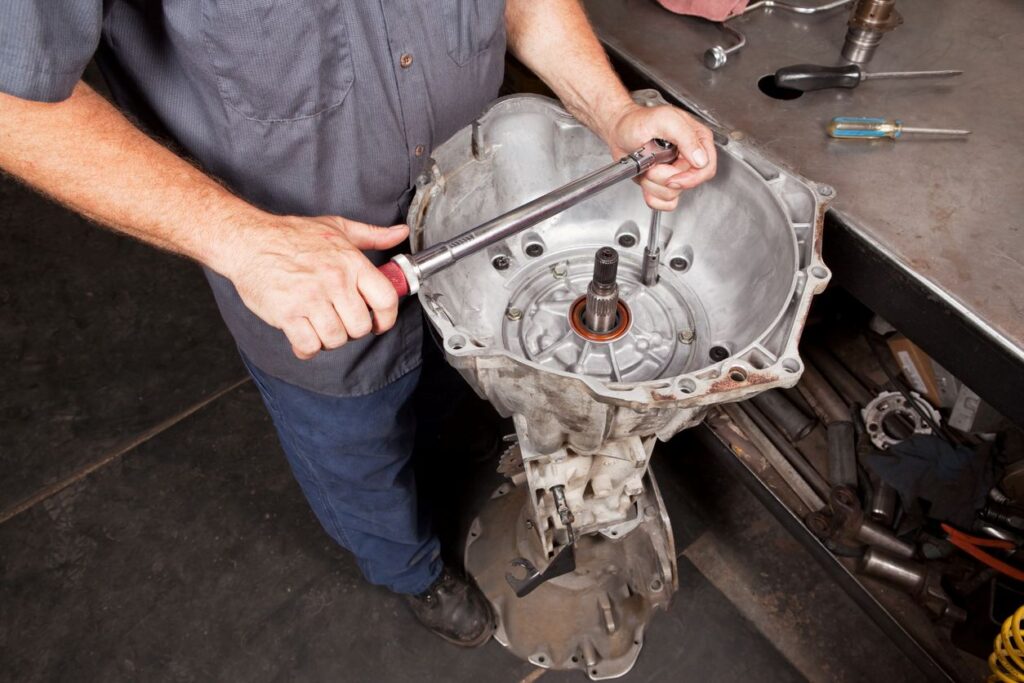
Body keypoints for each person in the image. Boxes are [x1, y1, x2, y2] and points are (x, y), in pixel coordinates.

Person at [0, 1, 717, 647]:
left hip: (470, 233)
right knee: (356, 451)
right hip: (299, 277)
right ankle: (409, 570)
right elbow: (14, 101)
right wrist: (241, 239)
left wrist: (612, 112)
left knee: (446, 400)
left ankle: (440, 464)